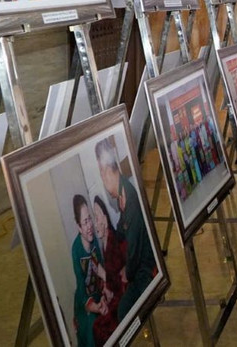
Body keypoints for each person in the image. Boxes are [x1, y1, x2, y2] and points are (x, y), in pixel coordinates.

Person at [96, 138, 156, 320]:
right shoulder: (122, 196)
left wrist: (126, 273)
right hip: (136, 265)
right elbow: (121, 233)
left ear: (107, 172)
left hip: (145, 269)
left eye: (101, 174)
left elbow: (134, 251)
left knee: (122, 311)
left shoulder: (129, 200)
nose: (102, 180)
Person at [91, 196, 127, 345]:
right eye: (93, 218)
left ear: (105, 220)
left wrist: (103, 274)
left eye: (97, 217)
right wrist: (105, 295)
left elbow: (120, 281)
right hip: (115, 298)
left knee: (98, 328)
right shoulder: (104, 246)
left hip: (123, 298)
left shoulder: (113, 242)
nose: (95, 223)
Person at [71, 194, 105, 347]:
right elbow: (81, 286)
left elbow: (102, 270)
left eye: (90, 219)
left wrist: (104, 295)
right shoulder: (76, 250)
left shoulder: (95, 241)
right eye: (85, 222)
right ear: (79, 227)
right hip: (85, 303)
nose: (90, 225)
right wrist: (94, 307)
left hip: (99, 295)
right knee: (92, 327)